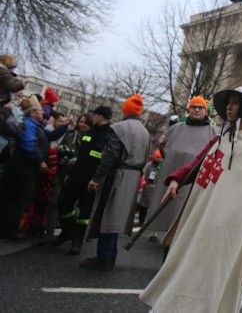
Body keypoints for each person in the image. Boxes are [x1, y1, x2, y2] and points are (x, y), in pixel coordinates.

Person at [139, 86, 242, 313]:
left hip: (221, 228)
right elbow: (197, 164)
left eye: (235, 102)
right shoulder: (220, 140)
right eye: (228, 102)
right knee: (184, 265)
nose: (229, 106)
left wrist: (221, 223)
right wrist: (177, 179)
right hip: (199, 214)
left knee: (205, 274)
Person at [81, 94, 150, 270]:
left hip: (117, 175)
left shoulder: (119, 128)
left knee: (108, 214)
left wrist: (96, 178)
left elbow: (110, 156)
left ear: (125, 110)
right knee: (116, 217)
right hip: (133, 178)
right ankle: (108, 255)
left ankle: (104, 256)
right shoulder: (144, 132)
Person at [145, 96, 217, 240]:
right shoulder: (175, 129)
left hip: (195, 181)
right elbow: (164, 148)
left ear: (206, 111)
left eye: (200, 107)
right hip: (172, 175)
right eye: (193, 107)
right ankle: (160, 233)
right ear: (188, 110)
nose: (196, 110)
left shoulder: (214, 132)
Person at [0, 95, 67, 240]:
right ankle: (9, 230)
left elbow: (50, 137)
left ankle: (8, 228)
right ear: (32, 113)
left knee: (18, 199)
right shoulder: (29, 125)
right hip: (23, 168)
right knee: (17, 199)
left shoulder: (36, 126)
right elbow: (28, 144)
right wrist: (40, 161)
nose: (43, 113)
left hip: (27, 168)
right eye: (39, 111)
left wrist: (64, 126)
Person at [52, 106, 111, 254]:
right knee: (63, 202)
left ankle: (77, 241)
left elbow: (105, 160)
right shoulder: (90, 132)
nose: (93, 118)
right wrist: (70, 174)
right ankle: (67, 232)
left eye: (95, 115)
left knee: (84, 213)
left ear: (100, 116)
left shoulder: (109, 135)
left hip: (91, 179)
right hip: (76, 175)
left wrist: (96, 179)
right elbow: (81, 155)